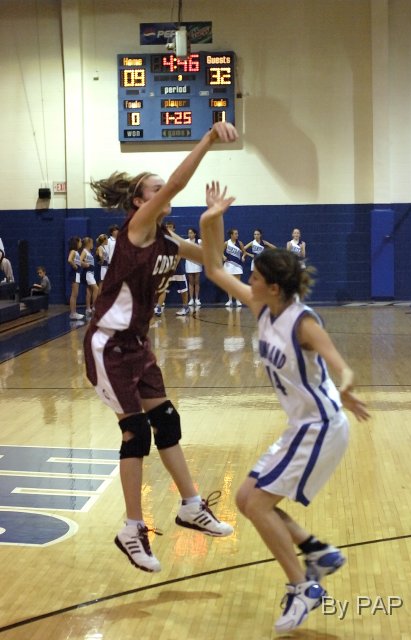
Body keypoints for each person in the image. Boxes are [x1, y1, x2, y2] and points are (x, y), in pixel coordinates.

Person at [200, 182, 370, 633]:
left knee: (256, 505)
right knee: (245, 499)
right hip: (301, 426)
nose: (249, 282)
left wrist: (346, 385)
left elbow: (338, 363)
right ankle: (316, 551)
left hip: (321, 426)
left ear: (273, 287)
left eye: (255, 278)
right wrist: (211, 218)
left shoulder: (303, 322)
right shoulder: (263, 307)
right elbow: (214, 267)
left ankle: (303, 587)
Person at [84, 122, 238, 574]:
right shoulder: (136, 229)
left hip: (137, 345)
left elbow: (212, 261)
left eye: (159, 188)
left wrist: (214, 217)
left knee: (166, 420)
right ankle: (132, 528)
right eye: (153, 189)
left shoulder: (169, 242)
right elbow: (175, 183)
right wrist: (207, 138)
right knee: (136, 431)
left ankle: (191, 506)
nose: (163, 191)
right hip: (108, 346)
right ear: (140, 201)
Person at [154, 222, 190, 317]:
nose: (168, 228)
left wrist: (173, 267)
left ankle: (186, 307)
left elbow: (179, 255)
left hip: (177, 269)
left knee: (183, 289)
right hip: (166, 269)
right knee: (163, 288)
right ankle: (159, 307)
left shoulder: (177, 240)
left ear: (174, 229)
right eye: (167, 227)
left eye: (170, 227)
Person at [223, 228, 247, 307]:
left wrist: (243, 257)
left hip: (238, 265)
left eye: (237, 233)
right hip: (229, 265)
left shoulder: (239, 243)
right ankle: (230, 300)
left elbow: (244, 252)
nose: (237, 235)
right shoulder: (226, 243)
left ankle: (237, 300)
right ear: (231, 235)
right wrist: (223, 256)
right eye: (235, 233)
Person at [80, 236, 98, 317]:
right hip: (88, 273)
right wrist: (84, 264)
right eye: (92, 243)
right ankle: (94, 307)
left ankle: (88, 309)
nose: (92, 245)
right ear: (88, 243)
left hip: (91, 272)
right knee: (96, 289)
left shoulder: (88, 252)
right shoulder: (84, 251)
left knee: (89, 291)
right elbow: (79, 261)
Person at [67, 236, 84, 320]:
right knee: (74, 294)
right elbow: (69, 260)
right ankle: (73, 313)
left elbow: (79, 262)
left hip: (77, 274)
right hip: (74, 274)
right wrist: (74, 266)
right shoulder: (73, 251)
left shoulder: (77, 252)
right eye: (80, 242)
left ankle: (74, 312)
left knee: (75, 294)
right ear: (76, 243)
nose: (81, 243)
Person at [185, 227, 202, 306]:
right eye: (189, 233)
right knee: (191, 282)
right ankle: (191, 299)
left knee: (197, 281)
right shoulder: (186, 241)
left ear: (195, 234)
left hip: (197, 263)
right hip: (189, 263)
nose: (190, 234)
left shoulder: (199, 241)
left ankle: (197, 299)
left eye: (191, 233)